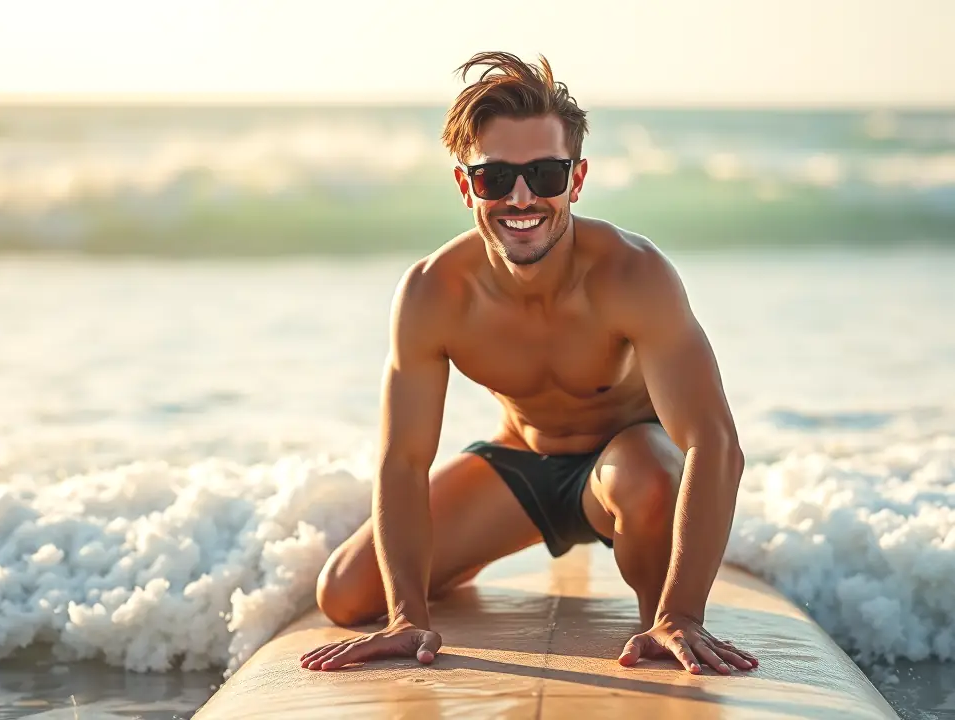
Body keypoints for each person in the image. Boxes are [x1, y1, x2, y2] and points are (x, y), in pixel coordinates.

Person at [300, 51, 757, 676]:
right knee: (345, 594)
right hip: (522, 463)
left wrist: (685, 609)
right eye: (495, 178)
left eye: (544, 174)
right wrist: (407, 616)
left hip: (624, 469)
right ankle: (459, 570)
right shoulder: (434, 292)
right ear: (466, 185)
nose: (522, 198)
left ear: (576, 179)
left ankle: (661, 616)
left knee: (649, 479)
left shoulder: (632, 273)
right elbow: (403, 460)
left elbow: (715, 443)